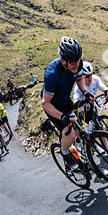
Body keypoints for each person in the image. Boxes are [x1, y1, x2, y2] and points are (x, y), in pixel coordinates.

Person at [41, 37, 92, 171]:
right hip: (52, 106)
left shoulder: (77, 63)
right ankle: (65, 153)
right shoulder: (51, 74)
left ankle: (77, 150)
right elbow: (45, 103)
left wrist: (85, 93)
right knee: (68, 132)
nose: (77, 64)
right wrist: (62, 116)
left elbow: (80, 78)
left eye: (78, 60)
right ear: (63, 61)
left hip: (65, 99)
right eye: (73, 62)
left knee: (79, 126)